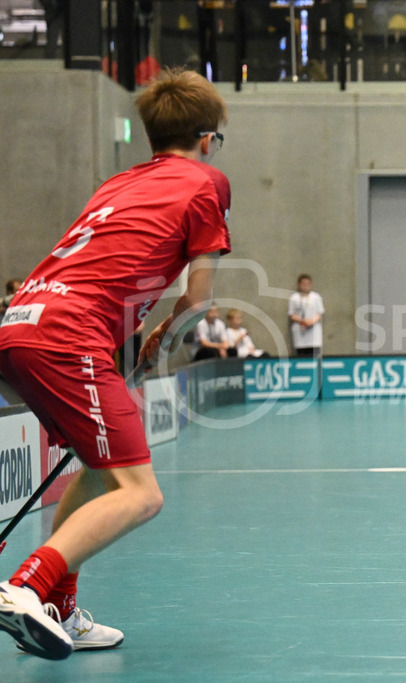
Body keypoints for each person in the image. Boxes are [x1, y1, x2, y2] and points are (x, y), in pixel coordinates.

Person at [0, 67, 230, 660]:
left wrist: (141, 333)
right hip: (69, 336)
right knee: (142, 493)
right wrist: (169, 334)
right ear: (207, 138)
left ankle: (58, 606)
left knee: (103, 471)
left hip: (22, 323)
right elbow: (198, 301)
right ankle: (26, 585)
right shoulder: (206, 184)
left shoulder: (118, 183)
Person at [288, 274, 325, 357]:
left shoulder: (316, 297)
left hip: (313, 330)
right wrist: (303, 321)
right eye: (304, 284)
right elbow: (291, 314)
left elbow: (320, 313)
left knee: (315, 355)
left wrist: (311, 322)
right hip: (300, 330)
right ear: (299, 285)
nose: (306, 286)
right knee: (301, 354)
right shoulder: (294, 298)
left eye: (308, 284)